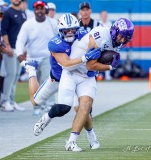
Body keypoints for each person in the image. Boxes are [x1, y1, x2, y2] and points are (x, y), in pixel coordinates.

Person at [33, 18, 134, 151]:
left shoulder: (117, 44)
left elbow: (93, 67)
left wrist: (107, 63)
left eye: (125, 39)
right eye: (121, 36)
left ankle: (72, 142)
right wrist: (110, 67)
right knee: (64, 108)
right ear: (115, 31)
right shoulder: (101, 35)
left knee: (85, 107)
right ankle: (47, 117)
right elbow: (90, 64)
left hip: (87, 76)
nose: (122, 41)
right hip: (71, 72)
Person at [21, 14, 101, 149]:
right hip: (57, 78)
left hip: (77, 77)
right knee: (35, 101)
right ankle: (32, 70)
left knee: (82, 109)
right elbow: (66, 63)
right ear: (60, 30)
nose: (70, 33)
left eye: (72, 29)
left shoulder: (82, 34)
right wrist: (85, 57)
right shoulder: (55, 43)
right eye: (66, 30)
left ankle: (91, 136)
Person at [16, 0, 58, 114]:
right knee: (35, 83)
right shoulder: (28, 24)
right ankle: (37, 106)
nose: (39, 11)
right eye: (37, 8)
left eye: (41, 8)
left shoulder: (53, 23)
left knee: (48, 80)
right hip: (31, 58)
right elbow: (20, 40)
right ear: (34, 10)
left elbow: (59, 38)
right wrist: (19, 54)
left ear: (45, 10)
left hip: (47, 57)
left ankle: (49, 105)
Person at [0, 0, 26, 111]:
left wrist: (24, 48)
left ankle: (11, 100)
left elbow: (24, 32)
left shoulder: (22, 13)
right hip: (10, 48)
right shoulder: (7, 13)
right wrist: (7, 46)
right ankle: (4, 101)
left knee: (16, 75)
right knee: (10, 74)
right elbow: (3, 31)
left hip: (19, 49)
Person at [99, 10, 113, 80]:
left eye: (105, 15)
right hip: (100, 44)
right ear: (101, 16)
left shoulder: (110, 24)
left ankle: (108, 75)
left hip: (108, 44)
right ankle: (100, 75)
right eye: (103, 15)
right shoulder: (98, 24)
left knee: (108, 59)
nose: (104, 17)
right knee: (99, 59)